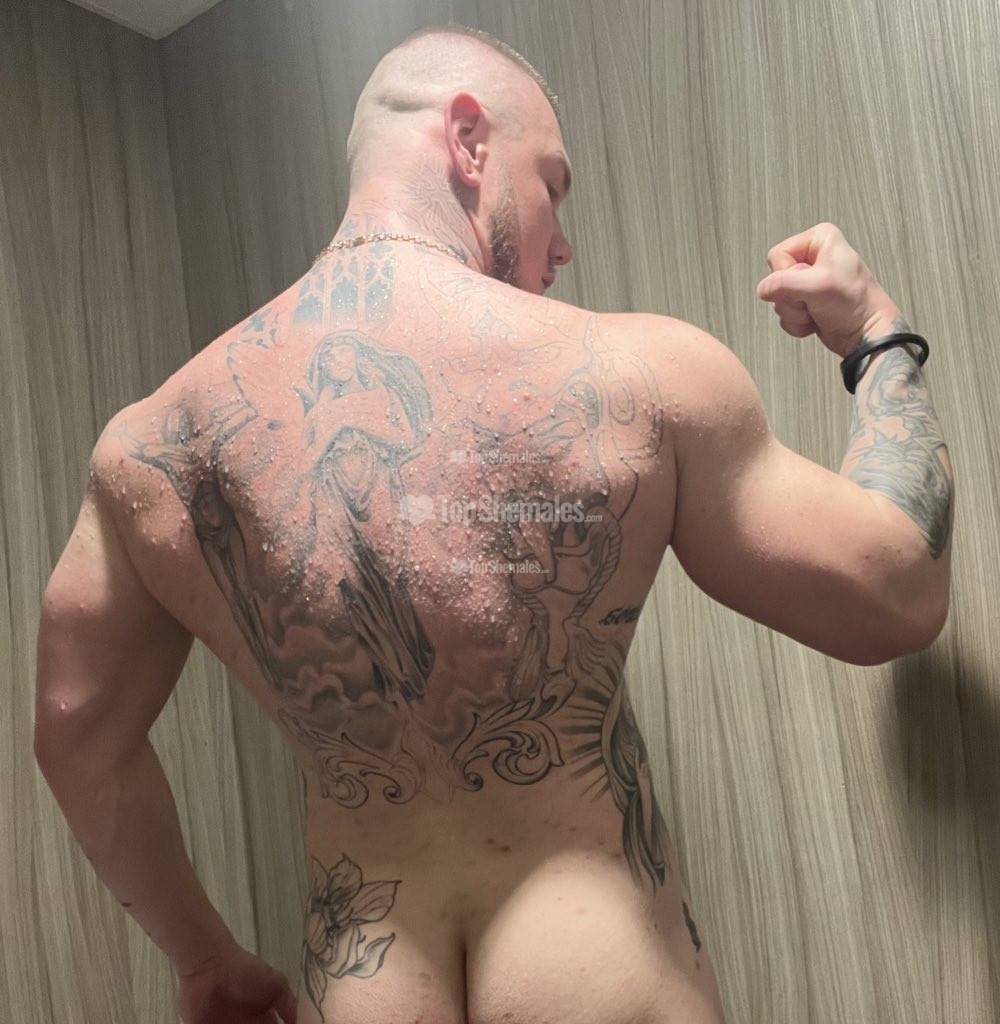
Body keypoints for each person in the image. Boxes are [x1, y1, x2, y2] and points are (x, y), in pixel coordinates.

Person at [33, 23, 953, 1024]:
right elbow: (895, 590)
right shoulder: (637, 375)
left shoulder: (153, 447)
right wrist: (876, 337)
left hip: (365, 984)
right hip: (599, 978)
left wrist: (206, 958)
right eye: (552, 182)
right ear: (468, 139)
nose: (562, 243)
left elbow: (77, 735)